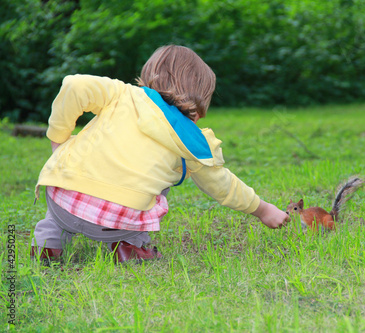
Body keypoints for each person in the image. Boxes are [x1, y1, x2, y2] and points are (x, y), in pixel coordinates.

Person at [31, 45, 290, 263]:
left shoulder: (122, 94)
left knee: (75, 171)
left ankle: (49, 244)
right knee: (164, 176)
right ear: (200, 101)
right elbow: (223, 186)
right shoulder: (191, 143)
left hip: (63, 200)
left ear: (150, 74)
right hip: (119, 218)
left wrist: (58, 138)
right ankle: (130, 244)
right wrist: (263, 210)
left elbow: (74, 85)